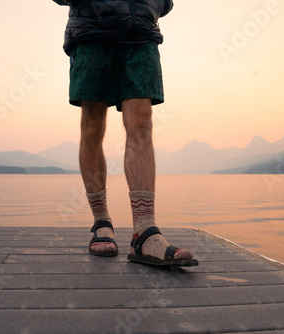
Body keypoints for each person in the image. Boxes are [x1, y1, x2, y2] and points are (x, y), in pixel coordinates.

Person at [53, 0, 198, 267]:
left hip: (141, 33)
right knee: (93, 124)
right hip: (91, 30)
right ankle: (101, 222)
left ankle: (144, 231)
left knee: (142, 122)